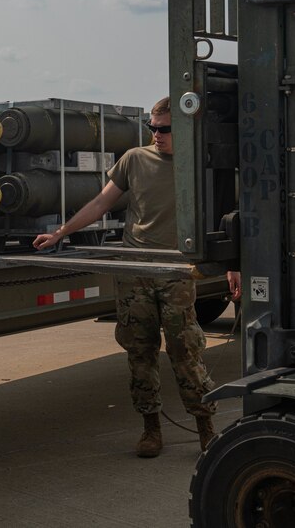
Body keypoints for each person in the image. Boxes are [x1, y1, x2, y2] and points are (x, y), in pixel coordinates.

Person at [33, 96, 217, 457]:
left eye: (164, 129)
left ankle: (205, 426)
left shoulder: (198, 164)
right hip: (135, 269)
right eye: (152, 127)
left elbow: (222, 211)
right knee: (139, 351)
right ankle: (151, 429)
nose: (156, 135)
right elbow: (102, 202)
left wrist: (233, 263)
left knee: (185, 351)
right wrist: (61, 232)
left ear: (182, 128)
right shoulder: (134, 159)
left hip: (175, 270)